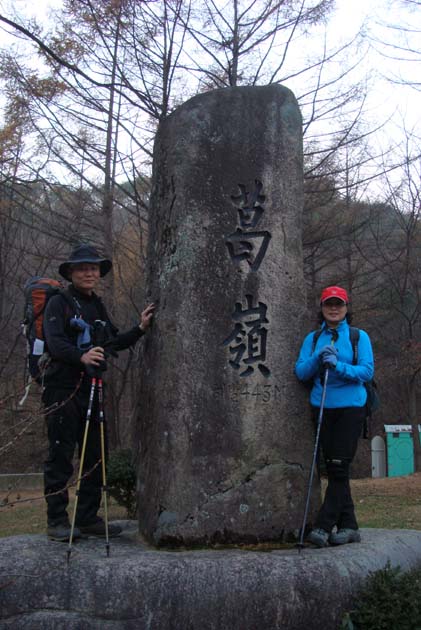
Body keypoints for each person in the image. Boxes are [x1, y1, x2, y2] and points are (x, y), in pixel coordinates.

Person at [42, 243, 155, 542]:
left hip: (91, 388)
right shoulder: (59, 303)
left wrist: (140, 328)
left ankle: (87, 516)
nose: (89, 272)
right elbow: (54, 343)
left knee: (95, 453)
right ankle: (57, 521)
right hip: (61, 389)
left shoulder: (97, 305)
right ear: (71, 272)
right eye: (82, 268)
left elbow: (112, 342)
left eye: (93, 268)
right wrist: (80, 356)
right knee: (60, 453)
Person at [295, 285, 374, 547]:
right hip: (322, 407)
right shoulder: (313, 338)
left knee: (340, 466)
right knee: (335, 468)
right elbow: (301, 372)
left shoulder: (357, 336)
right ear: (322, 307)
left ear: (346, 308)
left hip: (351, 408)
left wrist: (337, 366)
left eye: (339, 303)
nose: (334, 308)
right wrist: (319, 357)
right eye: (329, 303)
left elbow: (366, 372)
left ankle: (323, 525)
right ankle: (350, 526)